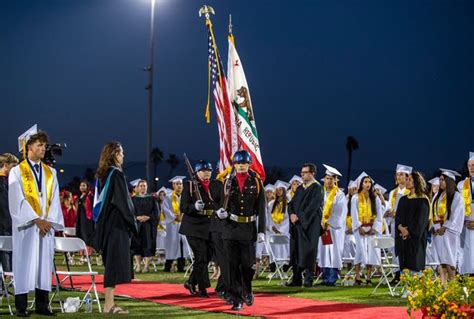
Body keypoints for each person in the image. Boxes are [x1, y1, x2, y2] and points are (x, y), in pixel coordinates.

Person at [8, 125, 64, 316]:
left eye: (44, 145)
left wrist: (47, 221)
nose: (43, 149)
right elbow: (17, 199)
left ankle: (42, 305)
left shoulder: (51, 173)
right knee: (23, 263)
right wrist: (35, 220)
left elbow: (54, 199)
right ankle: (21, 307)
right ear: (29, 147)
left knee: (43, 265)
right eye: (39, 145)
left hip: (45, 227)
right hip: (27, 227)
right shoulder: (16, 171)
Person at [90, 142, 137, 314]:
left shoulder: (103, 175)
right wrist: (133, 223)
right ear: (115, 154)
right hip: (116, 225)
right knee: (112, 265)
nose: (123, 156)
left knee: (110, 263)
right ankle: (108, 305)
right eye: (121, 152)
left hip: (105, 225)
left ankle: (109, 303)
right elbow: (124, 203)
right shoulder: (116, 175)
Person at [216, 150, 265, 310]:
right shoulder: (227, 182)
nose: (241, 166)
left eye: (244, 163)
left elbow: (261, 208)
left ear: (249, 164)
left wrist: (261, 230)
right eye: (238, 163)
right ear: (234, 165)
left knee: (248, 265)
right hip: (230, 229)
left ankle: (247, 289)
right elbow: (221, 204)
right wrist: (219, 213)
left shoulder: (256, 182)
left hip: (248, 229)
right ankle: (237, 299)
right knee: (231, 266)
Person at [180, 160, 223, 297]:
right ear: (197, 172)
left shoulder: (217, 185)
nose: (206, 173)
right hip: (193, 226)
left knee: (206, 257)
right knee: (201, 256)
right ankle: (202, 288)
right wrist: (194, 207)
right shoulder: (190, 185)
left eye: (209, 170)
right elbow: (183, 207)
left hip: (210, 225)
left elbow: (220, 202)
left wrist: (221, 211)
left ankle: (191, 282)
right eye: (203, 171)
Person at [287, 163, 324, 288]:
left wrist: (300, 216)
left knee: (309, 251)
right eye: (302, 172)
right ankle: (296, 279)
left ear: (312, 173)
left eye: (305, 172)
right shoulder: (300, 188)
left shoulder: (317, 188)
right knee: (296, 250)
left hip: (310, 225)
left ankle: (308, 279)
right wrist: (292, 214)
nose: (302, 174)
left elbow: (313, 207)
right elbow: (291, 204)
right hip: (297, 225)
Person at [432, 169, 464, 283]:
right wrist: (433, 227)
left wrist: (445, 227)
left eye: (442, 180)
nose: (440, 182)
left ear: (449, 181)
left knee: (450, 260)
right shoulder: (437, 196)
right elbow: (433, 214)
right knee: (441, 261)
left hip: (449, 233)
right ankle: (444, 287)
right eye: (440, 180)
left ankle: (453, 286)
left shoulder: (456, 196)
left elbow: (456, 215)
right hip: (438, 232)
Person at [351, 172, 383, 286]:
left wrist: (374, 229)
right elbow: (354, 214)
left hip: (371, 229)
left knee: (371, 253)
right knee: (359, 252)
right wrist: (358, 227)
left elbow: (379, 215)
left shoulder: (376, 199)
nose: (367, 184)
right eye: (365, 182)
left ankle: (369, 277)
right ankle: (358, 277)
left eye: (369, 182)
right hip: (359, 230)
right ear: (361, 184)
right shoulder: (355, 198)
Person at [318, 164, 347, 286]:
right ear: (324, 179)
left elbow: (340, 211)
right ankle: (325, 277)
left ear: (335, 180)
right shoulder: (320, 192)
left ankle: (332, 278)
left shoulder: (339, 194)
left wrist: (328, 223)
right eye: (327, 178)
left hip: (334, 228)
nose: (329, 181)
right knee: (324, 251)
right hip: (322, 227)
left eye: (331, 178)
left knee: (333, 252)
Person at [395, 171, 430, 273]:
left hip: (416, 241)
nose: (407, 181)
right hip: (403, 240)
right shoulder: (403, 200)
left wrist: (408, 232)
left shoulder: (423, 200)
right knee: (404, 270)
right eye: (407, 179)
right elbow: (398, 218)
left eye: (410, 179)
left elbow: (421, 222)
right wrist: (400, 228)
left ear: (417, 182)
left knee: (415, 270)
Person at [384, 164, 413, 283]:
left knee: (405, 249)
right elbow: (390, 206)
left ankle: (405, 273)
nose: (399, 177)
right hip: (394, 225)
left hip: (405, 225)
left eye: (401, 174)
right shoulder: (393, 192)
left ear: (407, 177)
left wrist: (398, 214)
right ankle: (396, 274)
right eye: (397, 174)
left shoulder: (409, 191)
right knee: (395, 249)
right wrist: (389, 213)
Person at [132, 180, 159, 273]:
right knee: (136, 245)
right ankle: (139, 266)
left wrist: (148, 217)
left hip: (148, 225)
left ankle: (146, 266)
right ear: (138, 187)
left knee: (148, 245)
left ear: (147, 187)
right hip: (137, 225)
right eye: (141, 186)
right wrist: (136, 217)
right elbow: (130, 212)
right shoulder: (133, 199)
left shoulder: (152, 198)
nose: (143, 187)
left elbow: (156, 212)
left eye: (144, 186)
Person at [162, 176, 187, 272]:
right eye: (177, 184)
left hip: (183, 223)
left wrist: (183, 216)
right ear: (173, 185)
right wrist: (175, 216)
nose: (179, 186)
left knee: (183, 244)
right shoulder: (168, 197)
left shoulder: (186, 196)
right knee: (171, 244)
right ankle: (168, 266)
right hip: (172, 224)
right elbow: (165, 209)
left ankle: (181, 266)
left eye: (180, 184)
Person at [0, 153, 18, 273]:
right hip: (4, 224)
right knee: (5, 252)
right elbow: (4, 205)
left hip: (5, 223)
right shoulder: (3, 182)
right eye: (13, 166)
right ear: (5, 165)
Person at [267, 180, 290, 273]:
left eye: (281, 190)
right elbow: (269, 217)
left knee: (285, 250)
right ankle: (273, 270)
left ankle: (284, 270)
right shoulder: (271, 204)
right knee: (274, 250)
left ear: (284, 191)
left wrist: (281, 230)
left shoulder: (288, 204)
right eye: (277, 190)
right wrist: (273, 228)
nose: (279, 191)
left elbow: (288, 219)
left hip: (285, 232)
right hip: (273, 231)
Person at [458, 152, 474, 275]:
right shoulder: (461, 185)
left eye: (473, 165)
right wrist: (464, 220)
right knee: (467, 249)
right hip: (466, 222)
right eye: (469, 165)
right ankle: (467, 274)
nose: (471, 168)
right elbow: (459, 206)